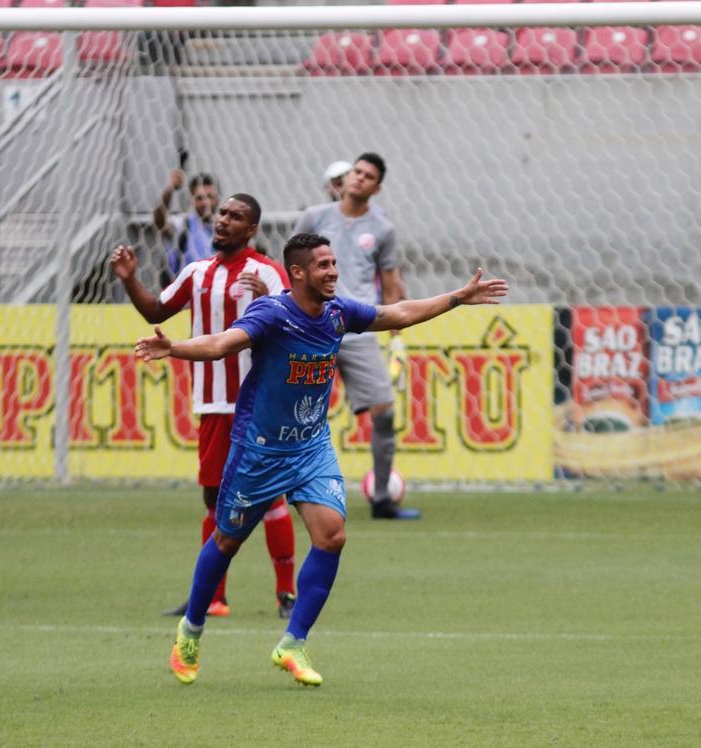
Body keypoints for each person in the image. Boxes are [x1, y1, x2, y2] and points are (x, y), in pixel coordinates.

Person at [135, 232, 508, 687]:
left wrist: (457, 298)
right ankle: (190, 630)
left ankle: (292, 643)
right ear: (298, 273)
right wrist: (173, 347)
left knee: (331, 536)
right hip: (260, 451)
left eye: (334, 264)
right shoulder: (271, 314)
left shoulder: (338, 313)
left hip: (310, 447)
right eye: (324, 265)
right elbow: (222, 344)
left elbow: (397, 314)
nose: (333, 272)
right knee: (227, 541)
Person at [112, 193, 297, 620]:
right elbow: (156, 309)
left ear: (251, 229)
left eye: (235, 217)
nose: (223, 221)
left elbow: (297, 320)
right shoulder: (196, 273)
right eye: (222, 214)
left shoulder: (266, 272)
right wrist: (128, 279)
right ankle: (213, 596)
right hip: (213, 403)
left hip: (259, 404)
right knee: (214, 500)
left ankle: (286, 595)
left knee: (269, 498)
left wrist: (270, 295)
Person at [294, 152, 417, 519]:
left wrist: (396, 337)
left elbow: (392, 284)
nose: (358, 178)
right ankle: (287, 493)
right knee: (295, 415)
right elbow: (293, 270)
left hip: (358, 329)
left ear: (376, 187)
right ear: (346, 179)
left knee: (384, 412)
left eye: (367, 176)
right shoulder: (315, 218)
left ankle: (381, 499)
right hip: (313, 330)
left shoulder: (382, 230)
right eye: (355, 172)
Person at [153, 169, 220, 283]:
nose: (205, 203)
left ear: (217, 199)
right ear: (192, 200)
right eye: (200, 198)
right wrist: (170, 190)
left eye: (209, 197)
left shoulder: (222, 227)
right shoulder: (183, 224)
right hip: (186, 294)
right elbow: (160, 221)